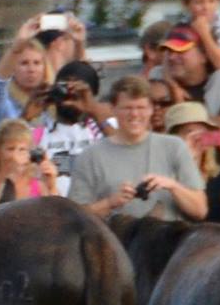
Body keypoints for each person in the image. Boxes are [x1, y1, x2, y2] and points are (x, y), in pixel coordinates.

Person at [67, 75, 207, 220]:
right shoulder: (90, 156)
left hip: (168, 238)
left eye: (141, 108)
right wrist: (110, 203)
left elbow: (200, 210)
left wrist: (172, 186)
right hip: (116, 239)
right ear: (113, 109)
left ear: (151, 109)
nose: (134, 114)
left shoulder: (175, 146)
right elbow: (75, 218)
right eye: (127, 108)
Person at [0, 120, 58, 205]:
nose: (15, 155)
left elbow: (57, 217)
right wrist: (9, 182)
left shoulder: (39, 188)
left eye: (22, 149)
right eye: (10, 149)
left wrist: (51, 186)